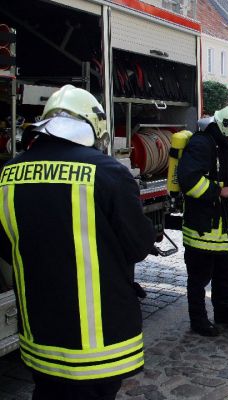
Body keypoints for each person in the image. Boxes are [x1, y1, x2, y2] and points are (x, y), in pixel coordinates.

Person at [0, 85, 156, 399]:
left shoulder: (7, 174)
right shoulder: (108, 173)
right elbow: (139, 246)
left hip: (40, 334)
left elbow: (6, 246)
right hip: (96, 343)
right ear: (93, 128)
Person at [177, 104, 228, 337]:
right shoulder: (201, 144)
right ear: (225, 126)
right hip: (201, 228)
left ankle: (224, 315)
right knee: (198, 280)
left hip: (220, 229)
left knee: (224, 273)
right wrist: (220, 190)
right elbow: (188, 181)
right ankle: (199, 322)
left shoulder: (223, 143)